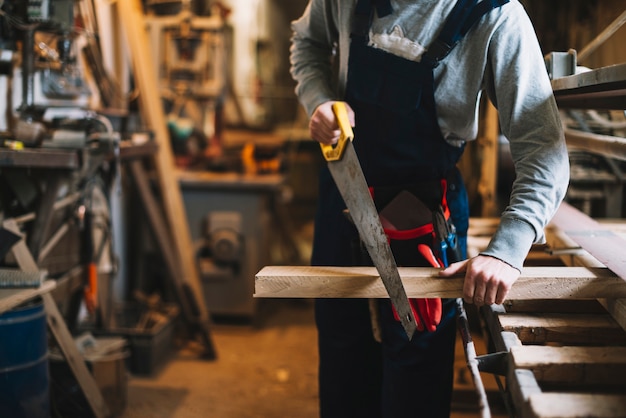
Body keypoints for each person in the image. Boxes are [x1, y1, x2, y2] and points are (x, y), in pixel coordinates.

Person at [289, 0, 569, 417]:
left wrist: (507, 250)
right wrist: (319, 98)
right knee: (342, 363)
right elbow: (307, 43)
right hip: (343, 202)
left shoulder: (496, 16)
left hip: (427, 220)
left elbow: (544, 151)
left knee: (415, 381)